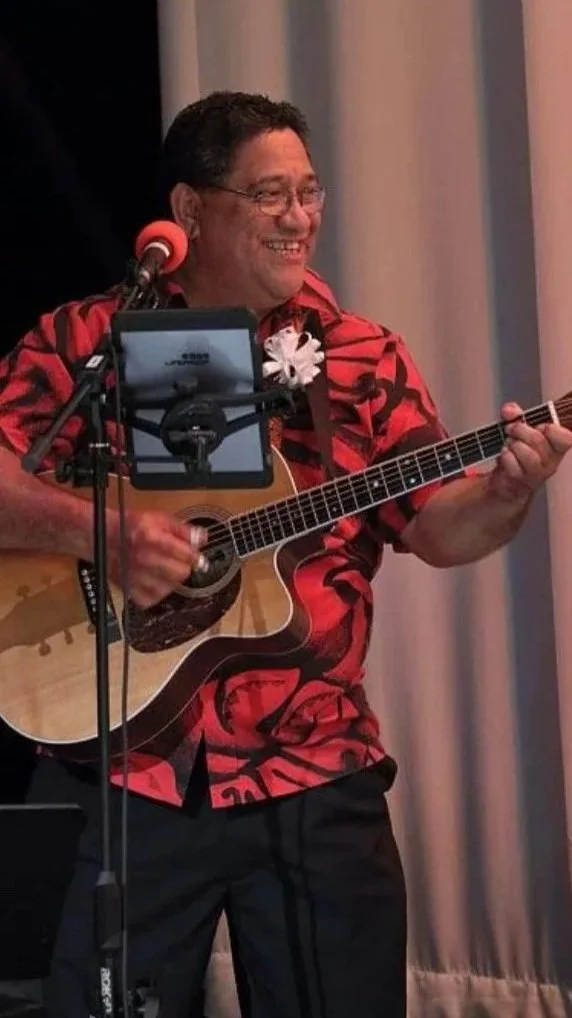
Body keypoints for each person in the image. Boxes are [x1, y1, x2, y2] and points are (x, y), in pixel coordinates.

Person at [0, 90, 570, 1018]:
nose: (300, 217)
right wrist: (102, 534)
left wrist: (507, 490)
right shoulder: (85, 343)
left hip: (316, 768)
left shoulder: (362, 356)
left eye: (310, 192)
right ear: (190, 212)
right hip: (124, 768)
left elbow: (438, 529)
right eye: (270, 195)